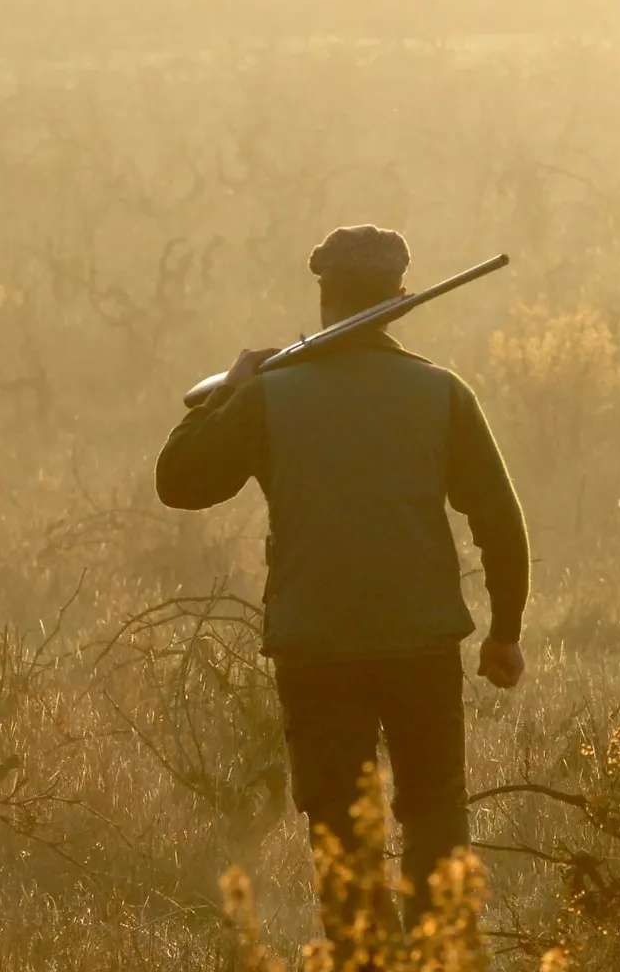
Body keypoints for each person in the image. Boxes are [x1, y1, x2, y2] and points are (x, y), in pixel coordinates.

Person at [154, 225, 530, 931]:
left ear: (324, 297)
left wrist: (228, 394)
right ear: (401, 299)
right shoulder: (442, 392)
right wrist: (504, 633)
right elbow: (500, 519)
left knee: (342, 837)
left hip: (316, 649)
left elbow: (178, 481)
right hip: (421, 646)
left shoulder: (268, 396)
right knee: (436, 816)